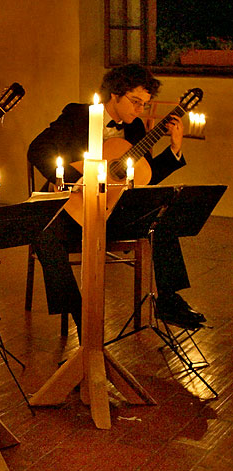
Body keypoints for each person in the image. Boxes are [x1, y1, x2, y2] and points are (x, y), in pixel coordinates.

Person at [27, 63, 205, 331]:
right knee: (43, 233)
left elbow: (146, 177)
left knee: (161, 220)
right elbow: (37, 149)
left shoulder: (134, 130)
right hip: (75, 207)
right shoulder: (77, 115)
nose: (139, 110)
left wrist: (174, 149)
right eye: (135, 102)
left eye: (144, 104)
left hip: (113, 212)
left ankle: (169, 301)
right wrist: (76, 180)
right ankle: (79, 312)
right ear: (115, 94)